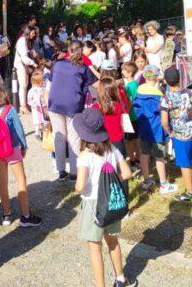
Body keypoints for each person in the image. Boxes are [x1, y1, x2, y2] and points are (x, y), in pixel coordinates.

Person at [73, 107, 135, 287]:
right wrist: (112, 180)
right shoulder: (112, 149)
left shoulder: (85, 156)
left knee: (95, 247)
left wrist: (77, 189)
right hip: (111, 202)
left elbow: (80, 186)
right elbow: (127, 173)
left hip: (93, 205)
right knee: (113, 241)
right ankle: (120, 278)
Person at [0, 80, 42, 228]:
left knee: (3, 181)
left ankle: (6, 214)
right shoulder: (10, 110)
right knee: (21, 179)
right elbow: (19, 130)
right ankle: (26, 216)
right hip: (12, 148)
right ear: (2, 92)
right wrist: (24, 146)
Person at [48, 41, 98, 181]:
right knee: (73, 137)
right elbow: (96, 84)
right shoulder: (82, 67)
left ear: (69, 50)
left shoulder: (57, 64)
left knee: (59, 137)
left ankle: (61, 171)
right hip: (73, 104)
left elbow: (51, 82)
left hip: (55, 103)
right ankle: (74, 172)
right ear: (81, 51)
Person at [160, 67, 192, 202]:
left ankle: (190, 193)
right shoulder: (189, 92)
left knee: (185, 164)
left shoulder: (166, 98)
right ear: (179, 79)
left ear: (165, 81)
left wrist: (169, 132)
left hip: (180, 136)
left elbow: (164, 121)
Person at [133, 65, 174, 194]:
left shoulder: (139, 91)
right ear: (156, 78)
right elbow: (164, 114)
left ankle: (146, 180)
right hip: (158, 133)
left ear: (144, 76)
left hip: (144, 130)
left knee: (144, 155)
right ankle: (164, 184)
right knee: (159, 157)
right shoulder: (159, 95)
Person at [14, 26, 39, 115]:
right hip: (21, 66)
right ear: (28, 32)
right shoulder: (22, 41)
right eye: (33, 33)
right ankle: (22, 106)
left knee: (24, 85)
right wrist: (34, 63)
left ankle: (24, 105)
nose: (34, 34)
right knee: (23, 86)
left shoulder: (25, 41)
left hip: (24, 66)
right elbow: (24, 58)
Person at [121, 61, 140, 167]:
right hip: (135, 115)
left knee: (130, 140)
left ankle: (133, 160)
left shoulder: (130, 86)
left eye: (124, 70)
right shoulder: (134, 84)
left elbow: (130, 101)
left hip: (131, 116)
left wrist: (126, 113)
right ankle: (138, 158)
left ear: (130, 73)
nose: (122, 71)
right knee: (135, 138)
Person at [26, 70, 48, 141]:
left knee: (45, 120)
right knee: (37, 122)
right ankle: (37, 133)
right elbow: (29, 100)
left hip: (43, 107)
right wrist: (34, 104)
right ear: (37, 82)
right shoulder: (32, 91)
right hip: (36, 108)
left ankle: (44, 133)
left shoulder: (43, 88)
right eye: (42, 81)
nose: (43, 82)